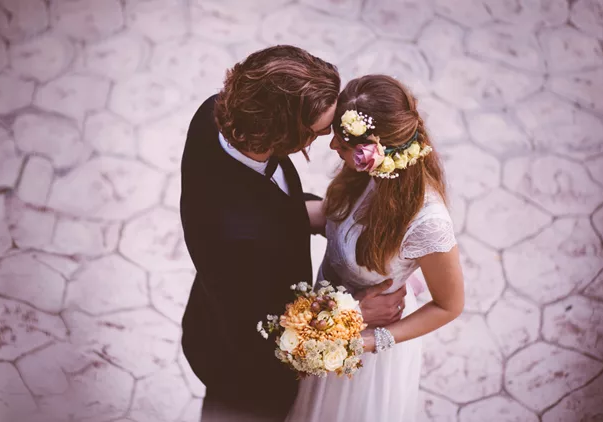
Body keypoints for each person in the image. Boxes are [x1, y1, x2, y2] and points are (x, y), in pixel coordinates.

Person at [179, 47, 408, 421]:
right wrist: (356, 313)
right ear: (280, 135)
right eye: (320, 132)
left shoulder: (217, 113)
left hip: (217, 307)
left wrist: (328, 212)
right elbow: (271, 331)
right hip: (249, 373)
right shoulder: (240, 238)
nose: (333, 139)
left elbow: (264, 204)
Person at [287, 75, 465, 422]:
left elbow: (450, 305)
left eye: (343, 140)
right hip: (326, 325)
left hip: (365, 350)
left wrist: (369, 340)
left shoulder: (428, 222)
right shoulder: (362, 174)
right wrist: (258, 213)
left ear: (377, 149)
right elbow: (331, 215)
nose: (331, 145)